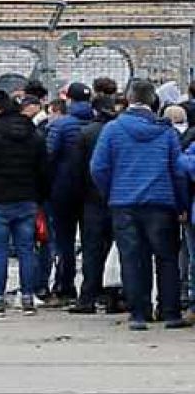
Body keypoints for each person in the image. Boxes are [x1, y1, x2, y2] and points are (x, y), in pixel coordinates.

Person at [95, 80, 188, 330]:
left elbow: (98, 167)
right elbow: (178, 170)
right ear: (153, 101)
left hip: (124, 202)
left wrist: (111, 192)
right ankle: (170, 312)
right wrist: (181, 203)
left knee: (132, 258)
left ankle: (138, 313)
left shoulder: (113, 130)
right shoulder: (166, 132)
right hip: (161, 202)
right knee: (167, 258)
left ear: (128, 98)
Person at [0, 90, 49, 314]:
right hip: (26, 199)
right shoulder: (34, 135)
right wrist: (39, 197)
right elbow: (44, 170)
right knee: (27, 249)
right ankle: (27, 296)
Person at [44, 83, 95, 301]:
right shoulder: (98, 124)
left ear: (69, 100)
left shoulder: (62, 125)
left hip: (63, 190)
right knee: (91, 241)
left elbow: (49, 155)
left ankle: (65, 284)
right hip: (92, 190)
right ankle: (92, 286)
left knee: (64, 240)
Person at [71, 93, 117, 314]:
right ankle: (114, 297)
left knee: (92, 250)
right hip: (117, 197)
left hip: (91, 199)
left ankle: (88, 296)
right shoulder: (119, 132)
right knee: (117, 250)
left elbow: (77, 170)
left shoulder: (85, 133)